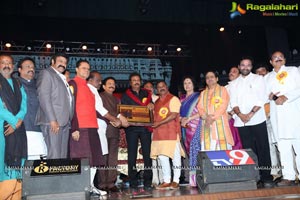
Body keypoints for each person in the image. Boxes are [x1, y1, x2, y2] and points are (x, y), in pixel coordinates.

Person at [229, 57, 274, 188]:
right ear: (239, 66)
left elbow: (262, 98)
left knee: (263, 148)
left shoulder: (258, 79)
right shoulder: (233, 84)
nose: (245, 67)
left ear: (251, 66)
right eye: (243, 65)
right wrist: (240, 115)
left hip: (258, 119)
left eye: (248, 65)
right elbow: (233, 102)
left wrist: (250, 114)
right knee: (249, 151)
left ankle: (267, 176)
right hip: (241, 121)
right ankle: (255, 177)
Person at [68, 60, 107, 196]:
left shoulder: (88, 87)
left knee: (94, 160)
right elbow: (70, 107)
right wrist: (74, 128)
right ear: (77, 69)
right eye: (83, 68)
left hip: (92, 127)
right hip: (81, 127)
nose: (86, 71)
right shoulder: (73, 84)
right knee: (82, 160)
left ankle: (90, 186)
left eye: (88, 69)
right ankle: (81, 188)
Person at [265, 51, 300, 186]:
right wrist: (274, 97)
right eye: (275, 58)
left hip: (294, 114)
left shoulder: (294, 71)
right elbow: (266, 95)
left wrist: (286, 96)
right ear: (271, 62)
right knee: (283, 148)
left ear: (284, 59)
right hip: (277, 117)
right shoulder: (267, 77)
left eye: (280, 57)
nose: (278, 59)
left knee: (299, 146)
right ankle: (288, 176)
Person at [87, 73, 124, 193]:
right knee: (103, 158)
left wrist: (123, 119)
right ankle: (102, 183)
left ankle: (111, 183)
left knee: (112, 158)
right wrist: (117, 118)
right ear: (103, 86)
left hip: (114, 131)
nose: (112, 86)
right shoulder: (99, 95)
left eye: (113, 84)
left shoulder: (117, 99)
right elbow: (104, 111)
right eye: (109, 84)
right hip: (102, 129)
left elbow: (120, 114)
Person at [36, 53, 74, 159]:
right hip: (53, 122)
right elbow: (44, 97)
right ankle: (51, 177)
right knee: (54, 156)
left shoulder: (62, 77)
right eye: (60, 61)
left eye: (65, 63)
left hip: (65, 122)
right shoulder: (46, 73)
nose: (63, 64)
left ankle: (59, 176)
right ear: (52, 62)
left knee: (61, 157)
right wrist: (52, 120)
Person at [0, 54, 27, 200]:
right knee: (3, 165)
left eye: (9, 63)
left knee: (18, 168)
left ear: (13, 66)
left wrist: (17, 122)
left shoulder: (18, 83)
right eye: (3, 62)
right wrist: (13, 121)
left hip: (17, 130)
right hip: (2, 129)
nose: (6, 65)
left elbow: (24, 104)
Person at [121, 72, 153, 191]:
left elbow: (152, 108)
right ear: (130, 82)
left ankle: (148, 181)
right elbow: (124, 111)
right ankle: (133, 181)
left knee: (147, 155)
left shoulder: (147, 93)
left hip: (145, 128)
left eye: (138, 80)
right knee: (132, 156)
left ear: (141, 81)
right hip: (132, 129)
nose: (136, 82)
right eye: (134, 80)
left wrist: (151, 104)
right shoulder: (126, 95)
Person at [151, 80, 185, 190]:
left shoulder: (173, 99)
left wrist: (159, 123)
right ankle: (166, 180)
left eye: (163, 86)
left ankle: (176, 180)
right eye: (159, 87)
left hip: (171, 132)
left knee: (175, 156)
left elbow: (174, 115)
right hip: (159, 134)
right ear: (157, 90)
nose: (161, 88)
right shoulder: (156, 102)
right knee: (162, 157)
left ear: (167, 87)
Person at [255, 63, 281, 180]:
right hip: (263, 119)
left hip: (277, 117)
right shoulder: (255, 86)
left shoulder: (273, 81)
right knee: (270, 147)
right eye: (258, 72)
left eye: (263, 71)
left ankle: (293, 172)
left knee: (282, 144)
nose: (261, 74)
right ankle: (275, 172)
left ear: (267, 71)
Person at [17, 57, 47, 160]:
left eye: (33, 67)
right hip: (21, 128)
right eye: (28, 67)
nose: (31, 69)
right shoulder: (15, 84)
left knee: (37, 164)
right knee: (24, 163)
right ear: (19, 69)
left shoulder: (38, 85)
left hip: (38, 129)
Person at [197, 71, 234, 150]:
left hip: (220, 124)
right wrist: (206, 117)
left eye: (212, 77)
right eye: (207, 77)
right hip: (206, 125)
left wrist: (211, 118)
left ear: (217, 79)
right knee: (207, 153)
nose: (209, 79)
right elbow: (200, 107)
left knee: (222, 154)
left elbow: (223, 106)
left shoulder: (223, 90)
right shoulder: (203, 93)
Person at [179, 76, 201, 187]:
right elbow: (177, 114)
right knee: (187, 153)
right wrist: (181, 119)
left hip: (195, 126)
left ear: (193, 84)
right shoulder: (181, 98)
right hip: (184, 128)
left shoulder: (199, 96)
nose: (187, 85)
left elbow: (202, 111)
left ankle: (199, 178)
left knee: (195, 152)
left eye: (189, 82)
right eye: (185, 83)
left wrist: (189, 119)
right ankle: (191, 179)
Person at [143, 81, 162, 187]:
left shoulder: (159, 99)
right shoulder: (141, 99)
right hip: (148, 131)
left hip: (159, 129)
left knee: (161, 155)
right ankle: (155, 178)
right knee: (153, 155)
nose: (149, 89)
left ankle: (163, 177)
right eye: (146, 87)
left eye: (151, 87)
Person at [226, 66, 243, 150]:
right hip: (226, 120)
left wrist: (231, 113)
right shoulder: (225, 88)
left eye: (234, 71)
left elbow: (242, 102)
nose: (231, 73)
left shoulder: (242, 86)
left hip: (237, 118)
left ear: (239, 75)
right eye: (230, 71)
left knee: (238, 144)